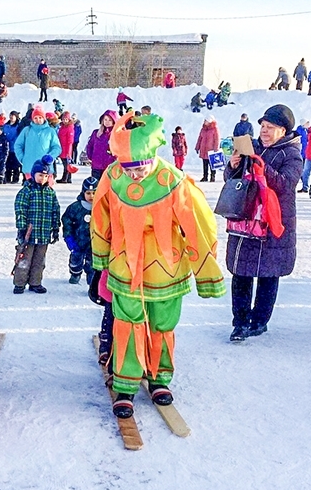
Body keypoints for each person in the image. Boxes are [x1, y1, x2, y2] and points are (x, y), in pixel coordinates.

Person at [90, 113, 225, 417]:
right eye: (129, 169)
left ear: (151, 156)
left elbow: (199, 225)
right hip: (125, 264)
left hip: (166, 265)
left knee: (163, 323)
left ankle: (159, 377)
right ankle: (125, 382)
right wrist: (100, 260)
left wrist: (206, 272)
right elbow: (100, 219)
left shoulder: (173, 181)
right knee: (127, 322)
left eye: (139, 168)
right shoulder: (113, 177)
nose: (134, 175)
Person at [223, 104, 301, 342]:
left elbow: (286, 184)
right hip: (245, 219)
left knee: (269, 274)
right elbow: (233, 182)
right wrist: (233, 166)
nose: (264, 131)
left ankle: (259, 321)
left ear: (283, 130)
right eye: (263, 126)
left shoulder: (292, 154)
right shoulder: (251, 147)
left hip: (272, 222)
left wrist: (262, 167)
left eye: (271, 127)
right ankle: (239, 323)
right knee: (241, 272)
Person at [13, 156, 61, 294]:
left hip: (44, 234)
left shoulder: (50, 193)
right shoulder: (27, 191)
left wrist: (55, 228)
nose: (43, 178)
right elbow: (20, 208)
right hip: (29, 233)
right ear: (33, 174)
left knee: (39, 261)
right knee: (24, 259)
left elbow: (55, 211)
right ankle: (20, 283)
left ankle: (35, 282)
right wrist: (22, 228)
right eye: (40, 175)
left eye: (46, 176)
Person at [63, 176, 97, 285]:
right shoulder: (75, 207)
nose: (91, 196)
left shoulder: (101, 207)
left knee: (92, 263)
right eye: (88, 193)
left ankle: (91, 280)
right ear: (83, 193)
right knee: (76, 260)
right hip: (78, 240)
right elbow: (67, 221)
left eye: (94, 193)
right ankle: (75, 273)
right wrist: (68, 237)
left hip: (94, 242)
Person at [13, 107, 60, 177]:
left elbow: (57, 147)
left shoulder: (50, 131)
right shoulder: (26, 130)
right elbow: (18, 145)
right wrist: (22, 158)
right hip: (29, 168)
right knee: (30, 188)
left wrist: (50, 156)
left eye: (40, 118)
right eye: (35, 118)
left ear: (44, 118)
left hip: (46, 169)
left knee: (46, 188)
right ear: (32, 119)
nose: (38, 120)